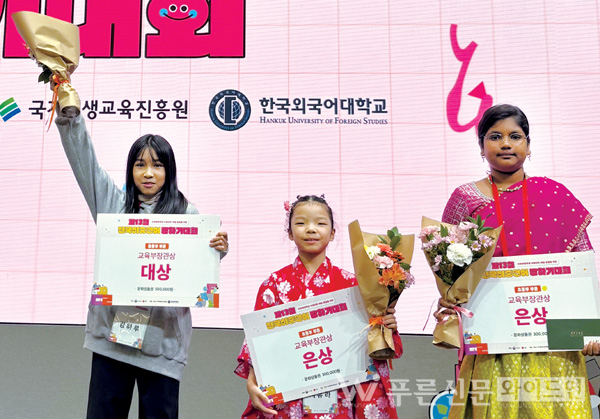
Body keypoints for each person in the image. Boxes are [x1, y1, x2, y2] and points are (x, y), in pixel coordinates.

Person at [54, 102, 228, 418]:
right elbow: (85, 163)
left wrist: (215, 251)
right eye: (140, 164)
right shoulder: (113, 205)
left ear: (169, 171)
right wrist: (70, 117)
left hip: (162, 343)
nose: (148, 173)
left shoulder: (188, 214)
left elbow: (196, 275)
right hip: (112, 340)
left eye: (157, 165)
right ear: (130, 170)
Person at [436, 104, 593, 418]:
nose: (506, 143)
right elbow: (448, 271)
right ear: (481, 146)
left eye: (515, 136)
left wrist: (589, 327)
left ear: (528, 145)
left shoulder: (555, 194)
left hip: (555, 341)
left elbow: (581, 268)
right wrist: (450, 304)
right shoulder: (465, 198)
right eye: (495, 137)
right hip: (493, 340)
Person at [234, 195, 402, 418]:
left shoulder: (355, 286)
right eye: (301, 223)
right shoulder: (273, 285)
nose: (311, 229)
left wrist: (384, 326)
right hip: (289, 395)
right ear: (289, 232)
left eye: (320, 223)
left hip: (340, 391)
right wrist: (252, 383)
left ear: (332, 233)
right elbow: (257, 345)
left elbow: (373, 345)